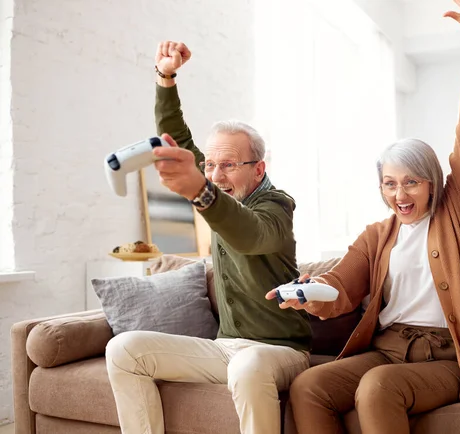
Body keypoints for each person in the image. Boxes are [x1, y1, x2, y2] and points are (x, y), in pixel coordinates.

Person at [265, 1, 460, 433]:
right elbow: (340, 286)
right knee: (309, 386)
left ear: (432, 182)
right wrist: (308, 292)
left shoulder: (458, 216)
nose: (400, 194)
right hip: (388, 349)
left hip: (448, 358)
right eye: (390, 184)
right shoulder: (378, 235)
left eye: (411, 182)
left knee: (376, 388)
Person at [104, 41, 312, 434]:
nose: (216, 175)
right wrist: (166, 78)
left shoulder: (277, 206)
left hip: (280, 351)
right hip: (225, 348)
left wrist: (201, 191)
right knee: (124, 349)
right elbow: (175, 139)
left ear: (258, 168)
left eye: (228, 165)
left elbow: (248, 234)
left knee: (247, 366)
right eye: (210, 165)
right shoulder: (221, 190)